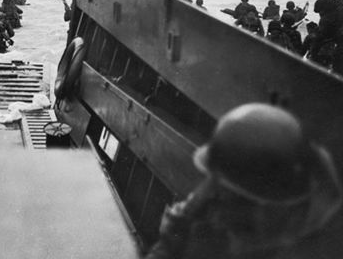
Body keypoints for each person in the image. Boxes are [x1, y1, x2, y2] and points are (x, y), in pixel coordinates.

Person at [145, 103, 342, 259]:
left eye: (227, 199)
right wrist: (175, 236)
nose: (217, 216)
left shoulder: (310, 246)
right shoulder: (214, 198)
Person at [310, 0, 343, 73]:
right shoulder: (338, 7)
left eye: (320, 13)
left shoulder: (327, 18)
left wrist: (313, 56)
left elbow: (320, 37)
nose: (320, 15)